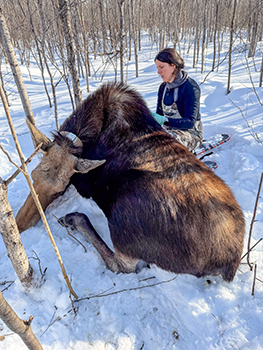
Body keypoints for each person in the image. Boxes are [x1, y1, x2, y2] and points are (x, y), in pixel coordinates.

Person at [153, 48, 203, 152]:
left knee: (165, 142)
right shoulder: (163, 88)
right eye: (157, 67)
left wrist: (165, 120)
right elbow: (159, 115)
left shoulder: (190, 87)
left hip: (191, 134)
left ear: (173, 66)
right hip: (169, 131)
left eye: (161, 67)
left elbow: (190, 122)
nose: (158, 72)